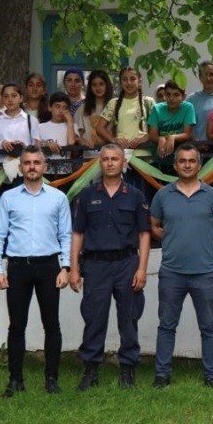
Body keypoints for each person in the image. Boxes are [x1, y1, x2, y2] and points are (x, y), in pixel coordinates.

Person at [0, 145, 72, 398]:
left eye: (37, 162)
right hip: (17, 267)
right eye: (27, 163)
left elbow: (66, 235)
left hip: (49, 266)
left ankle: (52, 379)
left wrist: (66, 267)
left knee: (52, 325)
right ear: (21, 166)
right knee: (16, 327)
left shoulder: (58, 198)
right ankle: (15, 380)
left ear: (44, 166)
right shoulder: (8, 198)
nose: (32, 167)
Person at [149, 144, 213, 389]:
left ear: (199, 165)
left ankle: (212, 376)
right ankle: (162, 376)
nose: (187, 164)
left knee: (208, 327)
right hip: (171, 272)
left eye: (191, 161)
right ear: (175, 166)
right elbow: (153, 224)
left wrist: (204, 238)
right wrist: (169, 236)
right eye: (182, 161)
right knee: (166, 325)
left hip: (204, 272)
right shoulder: (163, 195)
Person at [70, 145, 151, 390]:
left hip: (127, 264)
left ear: (123, 161)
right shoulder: (86, 195)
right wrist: (74, 268)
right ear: (100, 163)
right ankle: (91, 370)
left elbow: (144, 234)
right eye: (105, 159)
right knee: (94, 319)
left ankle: (127, 370)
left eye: (115, 158)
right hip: (95, 266)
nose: (110, 163)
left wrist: (142, 269)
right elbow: (77, 233)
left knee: (129, 318)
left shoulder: (135, 195)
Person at [98, 66, 155, 156]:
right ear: (120, 82)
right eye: (124, 79)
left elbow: (156, 129)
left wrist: (145, 137)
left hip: (145, 157)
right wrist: (114, 140)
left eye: (132, 79)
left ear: (139, 81)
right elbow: (100, 128)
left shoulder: (148, 102)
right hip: (121, 158)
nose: (128, 83)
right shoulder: (113, 103)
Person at [148, 80, 195, 171]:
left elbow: (187, 134)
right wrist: (160, 138)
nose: (171, 98)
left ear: (183, 97)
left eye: (176, 95)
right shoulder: (157, 109)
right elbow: (152, 135)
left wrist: (172, 137)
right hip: (160, 157)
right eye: (168, 94)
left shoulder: (188, 107)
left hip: (182, 157)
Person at [36, 92, 79, 177]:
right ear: (50, 107)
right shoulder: (41, 127)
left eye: (65, 108)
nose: (60, 111)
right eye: (57, 106)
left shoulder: (73, 126)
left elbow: (71, 142)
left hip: (66, 173)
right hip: (46, 172)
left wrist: (70, 121)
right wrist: (46, 143)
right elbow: (35, 146)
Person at [75, 69, 112, 151]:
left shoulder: (114, 106)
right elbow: (76, 136)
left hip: (110, 156)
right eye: (94, 85)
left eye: (101, 84)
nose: (98, 88)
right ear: (90, 88)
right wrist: (83, 142)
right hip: (89, 157)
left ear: (107, 85)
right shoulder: (83, 109)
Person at [188, 61, 213, 141]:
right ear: (200, 77)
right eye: (205, 75)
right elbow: (186, 126)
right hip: (198, 147)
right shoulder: (191, 100)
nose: (208, 78)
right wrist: (196, 142)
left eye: (211, 74)